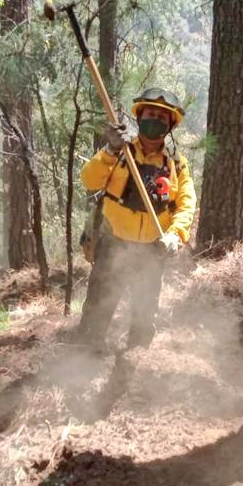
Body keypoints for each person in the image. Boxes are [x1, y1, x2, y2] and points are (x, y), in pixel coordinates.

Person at [77, 87, 196, 350]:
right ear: (140, 117)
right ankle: (87, 355)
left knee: (145, 310)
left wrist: (176, 235)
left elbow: (186, 204)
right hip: (113, 244)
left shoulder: (176, 164)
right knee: (99, 303)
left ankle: (136, 359)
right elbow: (89, 179)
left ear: (170, 125)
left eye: (162, 118)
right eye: (150, 114)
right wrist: (109, 149)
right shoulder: (120, 152)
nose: (155, 121)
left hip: (152, 248)